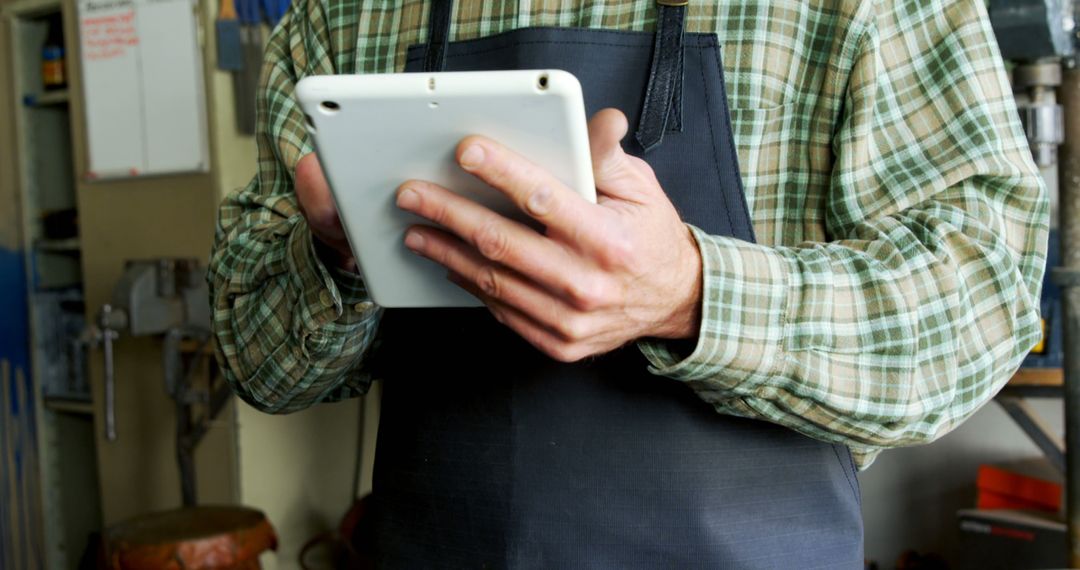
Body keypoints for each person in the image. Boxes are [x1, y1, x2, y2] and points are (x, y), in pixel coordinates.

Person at [208, 0, 1048, 567]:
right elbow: (256, 361)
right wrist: (336, 255)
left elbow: (986, 296)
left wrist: (692, 293)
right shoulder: (342, 14)